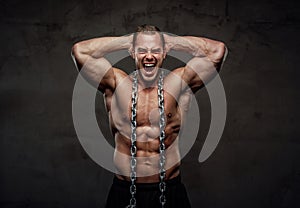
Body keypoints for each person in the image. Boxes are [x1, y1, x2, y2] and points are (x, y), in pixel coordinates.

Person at [72, 24, 227, 208]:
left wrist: (171, 41)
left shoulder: (179, 82)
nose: (149, 56)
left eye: (155, 50)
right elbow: (80, 51)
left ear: (164, 53)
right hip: (124, 190)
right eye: (142, 50)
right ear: (133, 53)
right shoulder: (115, 83)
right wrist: (127, 41)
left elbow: (217, 51)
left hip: (169, 189)